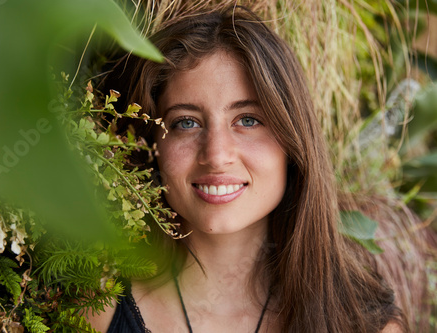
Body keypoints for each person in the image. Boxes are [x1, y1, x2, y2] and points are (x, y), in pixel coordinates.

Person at [88, 7, 406, 333]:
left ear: (293, 142)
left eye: (248, 120)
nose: (216, 155)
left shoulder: (364, 325)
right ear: (150, 145)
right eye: (186, 122)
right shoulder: (94, 308)